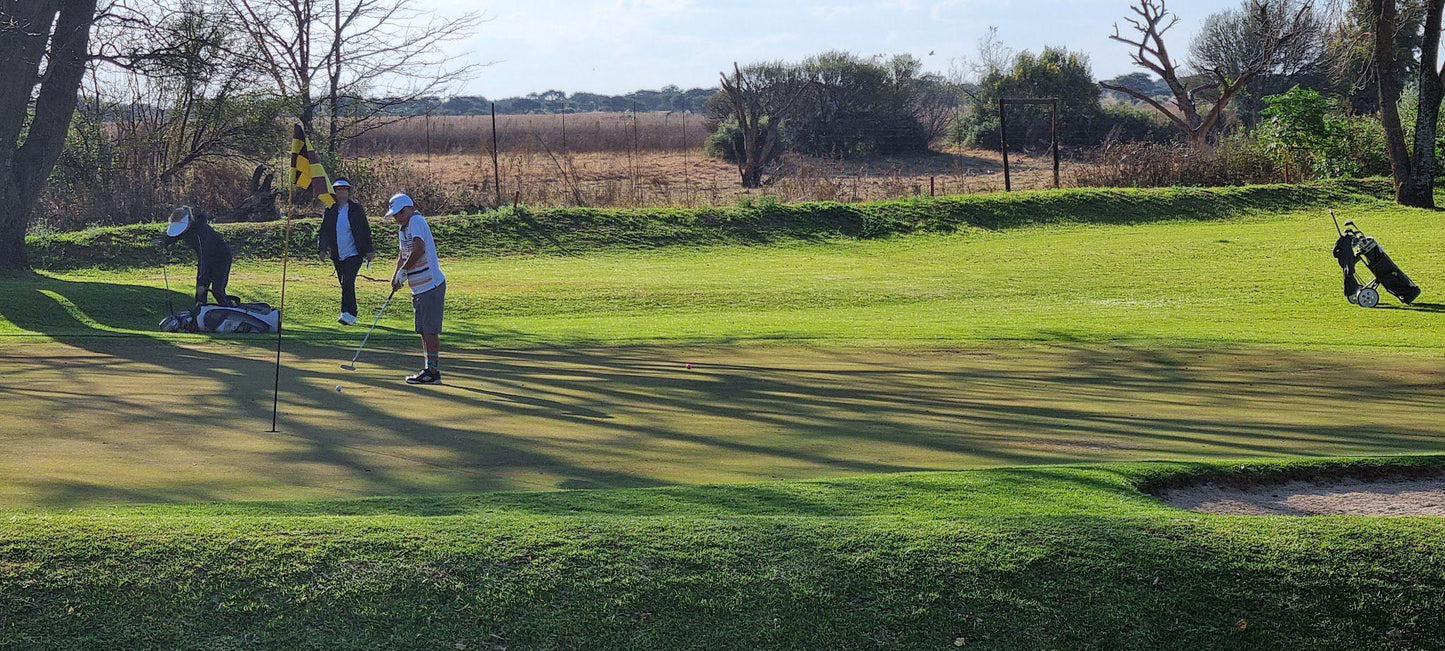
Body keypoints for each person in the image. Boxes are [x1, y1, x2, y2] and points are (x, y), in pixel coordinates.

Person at [387, 193, 446, 385]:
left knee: (429, 329)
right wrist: (397, 275)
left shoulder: (416, 221)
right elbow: (403, 254)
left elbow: (419, 249)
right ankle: (429, 368)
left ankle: (433, 371)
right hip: (418, 287)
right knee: (423, 329)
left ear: (408, 209)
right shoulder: (403, 229)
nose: (396, 218)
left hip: (430, 285)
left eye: (398, 214)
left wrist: (404, 272)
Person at [317, 177, 376, 325]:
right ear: (334, 192)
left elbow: (364, 230)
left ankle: (348, 313)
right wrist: (322, 249)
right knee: (344, 283)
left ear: (348, 192)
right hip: (338, 254)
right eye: (338, 190)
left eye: (344, 190)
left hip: (354, 253)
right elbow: (324, 231)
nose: (341, 192)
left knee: (348, 281)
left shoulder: (356, 209)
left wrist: (369, 249)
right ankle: (350, 312)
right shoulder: (330, 210)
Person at [157, 206, 235, 308]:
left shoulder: (201, 231)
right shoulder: (186, 229)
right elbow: (174, 236)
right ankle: (200, 312)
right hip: (205, 257)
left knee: (217, 290)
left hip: (221, 258)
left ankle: (231, 311)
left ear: (188, 222)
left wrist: (202, 278)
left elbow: (205, 256)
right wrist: (164, 242)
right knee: (200, 291)